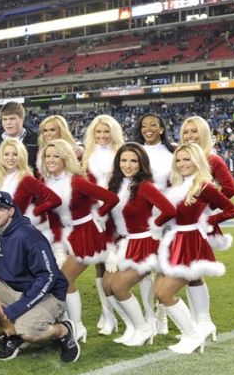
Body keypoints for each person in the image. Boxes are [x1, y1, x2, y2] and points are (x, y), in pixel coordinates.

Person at [0, 190, 79, 362]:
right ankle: (12, 333)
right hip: (14, 289)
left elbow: (48, 277)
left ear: (11, 211)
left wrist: (15, 310)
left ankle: (64, 330)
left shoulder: (29, 235)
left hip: (46, 294)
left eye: (0, 208)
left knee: (29, 331)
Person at [154, 144, 234, 354]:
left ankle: (192, 335)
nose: (182, 164)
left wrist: (208, 219)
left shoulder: (204, 186)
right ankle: (205, 324)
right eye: (179, 160)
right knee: (191, 281)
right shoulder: (178, 184)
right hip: (176, 239)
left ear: (197, 161)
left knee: (164, 292)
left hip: (191, 242)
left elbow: (232, 210)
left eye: (187, 160)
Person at [37, 139, 120, 344]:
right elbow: (53, 217)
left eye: (56, 156)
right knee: (58, 280)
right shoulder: (45, 182)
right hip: (65, 237)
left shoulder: (77, 181)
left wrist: (96, 217)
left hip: (85, 235)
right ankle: (69, 324)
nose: (51, 160)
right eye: (48, 156)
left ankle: (77, 326)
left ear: (66, 158)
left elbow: (111, 198)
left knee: (64, 280)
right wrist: (57, 247)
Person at [101, 144, 176, 347]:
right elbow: (109, 220)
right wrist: (110, 250)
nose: (128, 165)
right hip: (121, 243)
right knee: (107, 286)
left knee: (119, 286)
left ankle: (144, 328)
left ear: (141, 164)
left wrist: (154, 228)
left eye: (133, 161)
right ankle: (132, 326)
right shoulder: (115, 185)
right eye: (124, 160)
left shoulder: (145, 186)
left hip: (144, 244)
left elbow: (169, 210)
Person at [178, 116, 234, 338]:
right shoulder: (183, 158)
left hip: (198, 226)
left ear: (204, 133)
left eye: (194, 131)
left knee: (192, 272)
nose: (190, 135)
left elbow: (230, 189)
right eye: (186, 132)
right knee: (190, 273)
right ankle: (198, 322)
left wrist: (208, 208)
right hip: (182, 224)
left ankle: (203, 322)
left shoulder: (212, 159)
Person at [81, 115, 125, 335]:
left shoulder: (122, 153)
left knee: (121, 263)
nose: (102, 136)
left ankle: (145, 314)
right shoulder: (87, 154)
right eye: (98, 132)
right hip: (95, 213)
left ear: (113, 132)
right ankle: (107, 314)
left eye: (106, 132)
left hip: (118, 212)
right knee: (99, 264)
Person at [0, 138, 60, 224]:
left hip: (19, 232)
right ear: (1, 156)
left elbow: (55, 200)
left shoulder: (26, 179)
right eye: (6, 154)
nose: (10, 158)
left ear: (21, 156)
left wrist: (33, 213)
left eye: (15, 154)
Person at [136, 112, 175, 189]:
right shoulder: (134, 151)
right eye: (144, 126)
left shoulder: (173, 151)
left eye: (153, 125)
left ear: (161, 129)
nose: (148, 129)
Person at [0, 102, 38, 172]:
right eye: (4, 119)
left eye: (12, 119)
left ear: (22, 119)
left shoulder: (36, 140)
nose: (8, 123)